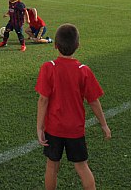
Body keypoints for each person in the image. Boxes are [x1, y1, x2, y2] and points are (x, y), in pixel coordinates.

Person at [36, 24, 111, 190]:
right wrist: (104, 125)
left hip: (54, 128)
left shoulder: (48, 68)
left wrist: (40, 127)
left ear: (55, 45)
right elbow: (93, 101)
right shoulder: (83, 70)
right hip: (75, 130)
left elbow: (43, 100)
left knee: (52, 166)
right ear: (78, 45)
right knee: (82, 166)